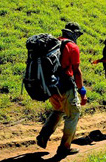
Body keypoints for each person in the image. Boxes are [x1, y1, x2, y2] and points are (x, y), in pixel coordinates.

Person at [36, 22, 87, 158]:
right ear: (74, 34)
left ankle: (43, 136)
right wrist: (82, 92)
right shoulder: (72, 47)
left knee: (58, 110)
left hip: (51, 86)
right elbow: (77, 71)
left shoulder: (54, 43)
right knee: (73, 114)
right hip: (66, 86)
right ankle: (65, 147)